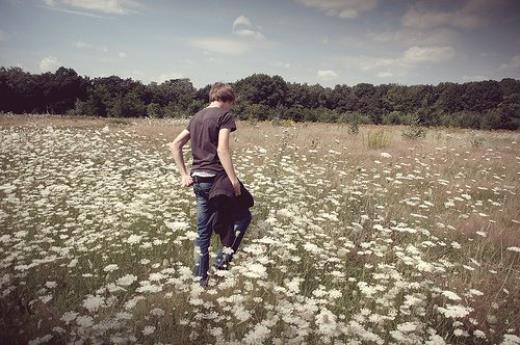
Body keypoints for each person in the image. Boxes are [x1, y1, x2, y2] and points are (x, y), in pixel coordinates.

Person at [168, 82, 252, 288]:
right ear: (228, 100)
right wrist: (234, 181)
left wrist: (184, 175)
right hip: (218, 179)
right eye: (232, 103)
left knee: (202, 231)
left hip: (198, 180)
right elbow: (223, 150)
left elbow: (175, 144)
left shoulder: (196, 117)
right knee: (244, 215)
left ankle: (200, 280)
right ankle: (222, 262)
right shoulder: (225, 115)